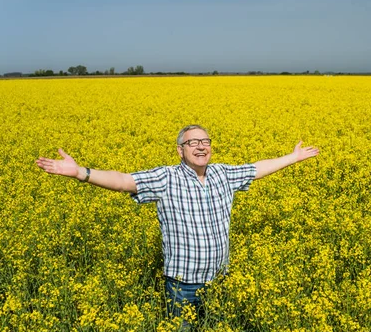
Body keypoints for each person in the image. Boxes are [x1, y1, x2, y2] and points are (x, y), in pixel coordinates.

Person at [36, 124, 319, 319]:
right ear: (179, 150)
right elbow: (123, 181)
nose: (200, 147)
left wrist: (292, 157)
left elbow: (257, 169)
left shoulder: (222, 174)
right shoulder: (166, 178)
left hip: (220, 280)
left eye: (205, 142)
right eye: (191, 143)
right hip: (183, 285)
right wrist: (80, 172)